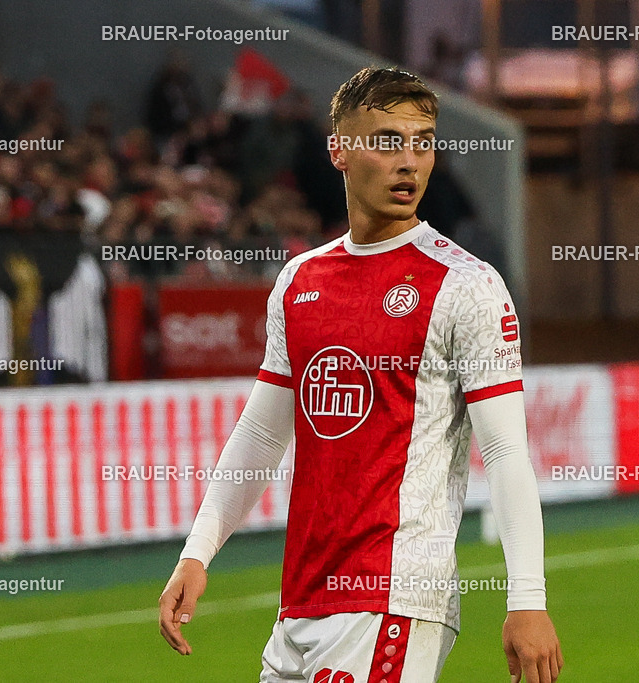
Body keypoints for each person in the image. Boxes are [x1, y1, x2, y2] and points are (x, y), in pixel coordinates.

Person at [158, 67, 562, 682]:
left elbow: (505, 450)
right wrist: (198, 550)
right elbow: (263, 436)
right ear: (339, 150)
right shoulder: (300, 281)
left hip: (395, 599)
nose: (410, 162)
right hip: (301, 601)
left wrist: (527, 599)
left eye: (422, 141)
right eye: (387, 141)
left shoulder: (466, 286)